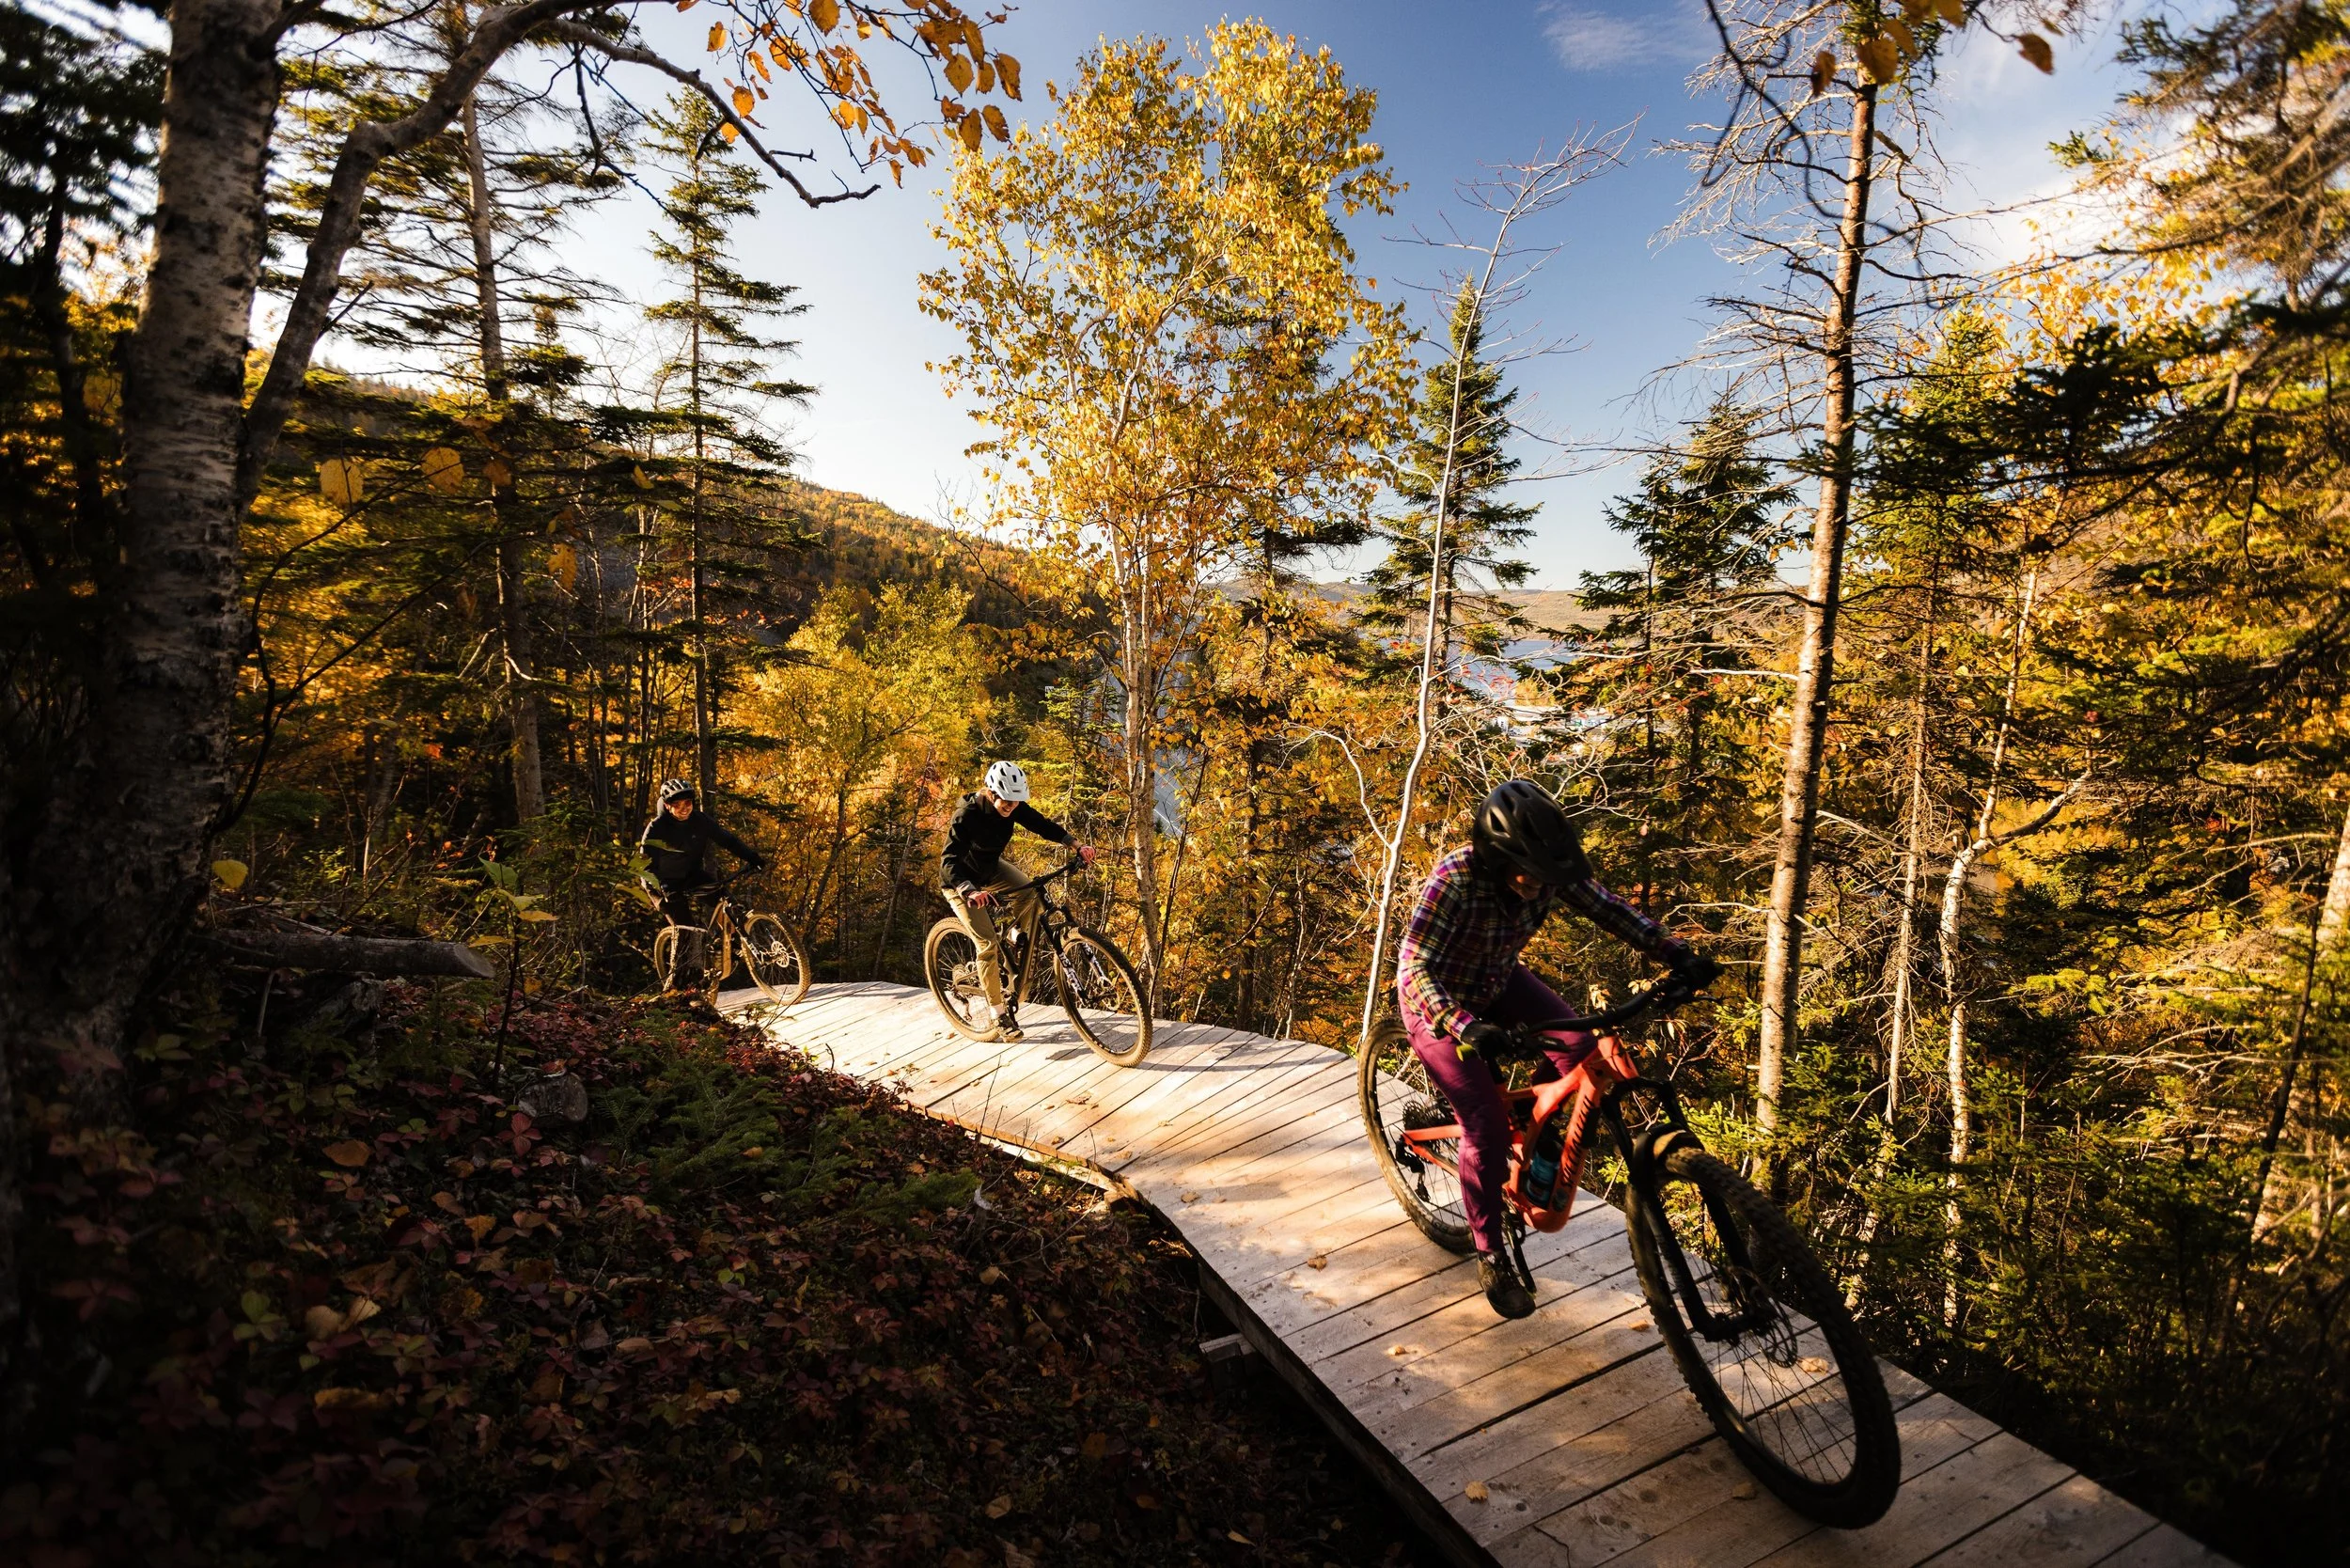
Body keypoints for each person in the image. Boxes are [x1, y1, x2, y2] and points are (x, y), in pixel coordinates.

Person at [1397, 779, 1720, 1321]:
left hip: (1499, 983)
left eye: (1546, 877)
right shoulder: (1455, 878)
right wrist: (1462, 1025)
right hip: (1442, 1005)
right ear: (1498, 855)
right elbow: (1414, 966)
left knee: (1582, 1049)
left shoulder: (1545, 873)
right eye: (1528, 875)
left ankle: (1530, 1117)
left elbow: (1608, 908)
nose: (1538, 887)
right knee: (1486, 1128)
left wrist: (1675, 952)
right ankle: (1491, 1250)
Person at [941, 760, 1097, 1043]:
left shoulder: (1014, 807)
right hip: (961, 883)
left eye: (1015, 802)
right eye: (1006, 801)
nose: (1010, 806)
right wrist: (969, 890)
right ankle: (999, 1014)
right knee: (987, 945)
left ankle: (1014, 934)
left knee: (1029, 892)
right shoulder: (967, 814)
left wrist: (1077, 845)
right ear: (991, 791)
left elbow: (1043, 826)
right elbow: (948, 861)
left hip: (990, 868)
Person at [639, 777, 766, 990]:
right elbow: (641, 866)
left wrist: (753, 857)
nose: (683, 809)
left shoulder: (699, 820)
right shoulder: (656, 828)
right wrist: (660, 892)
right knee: (687, 933)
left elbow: (728, 840)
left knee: (729, 903)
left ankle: (731, 945)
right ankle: (681, 989)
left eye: (687, 803)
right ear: (667, 805)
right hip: (664, 884)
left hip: (691, 875)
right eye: (677, 805)